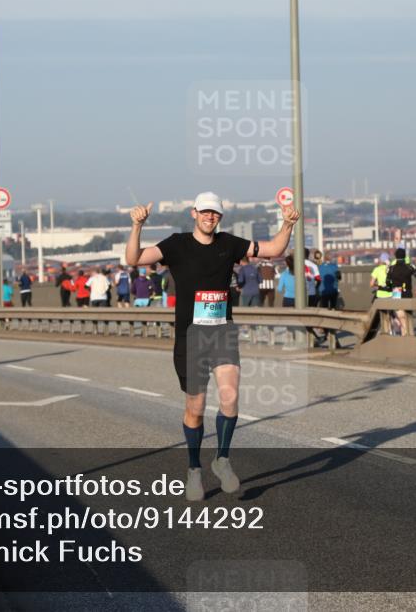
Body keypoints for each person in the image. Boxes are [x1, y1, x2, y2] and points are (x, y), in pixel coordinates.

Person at [125, 191, 299, 502]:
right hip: (190, 337)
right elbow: (134, 259)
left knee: (230, 397)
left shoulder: (229, 244)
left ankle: (222, 459)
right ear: (194, 213)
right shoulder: (176, 244)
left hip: (222, 332)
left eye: (215, 213)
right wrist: (137, 226)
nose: (210, 216)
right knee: (195, 408)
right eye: (205, 211)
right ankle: (194, 469)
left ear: (220, 217)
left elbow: (273, 249)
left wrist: (287, 224)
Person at [386, 247, 416, 336]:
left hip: (396, 291)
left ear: (395, 256)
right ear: (405, 256)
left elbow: (387, 281)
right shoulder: (410, 267)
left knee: (400, 314)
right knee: (408, 313)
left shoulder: (391, 268)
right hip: (407, 291)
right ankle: (408, 332)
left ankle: (404, 333)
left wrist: (390, 288)